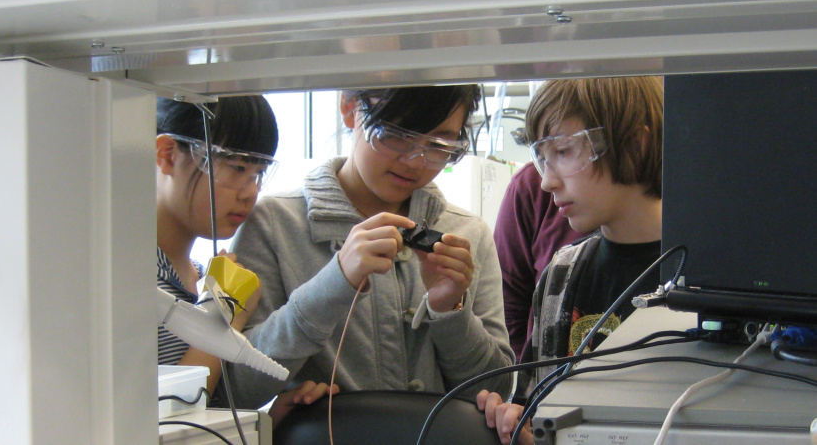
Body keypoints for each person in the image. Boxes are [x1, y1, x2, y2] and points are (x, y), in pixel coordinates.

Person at [223, 85, 515, 409]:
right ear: (349, 108)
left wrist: (449, 312)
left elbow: (498, 389)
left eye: (439, 144)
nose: (414, 161)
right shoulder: (273, 225)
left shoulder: (466, 234)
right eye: (396, 133)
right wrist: (333, 285)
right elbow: (235, 390)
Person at [477, 76, 664, 444]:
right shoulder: (562, 273)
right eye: (542, 159)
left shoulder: (706, 273)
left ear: (636, 143)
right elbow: (537, 402)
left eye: (562, 151)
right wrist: (517, 422)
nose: (546, 182)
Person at [155, 96, 336, 424]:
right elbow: (162, 415)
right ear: (167, 155)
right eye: (237, 168)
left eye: (259, 172)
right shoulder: (124, 278)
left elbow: (201, 413)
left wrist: (273, 417)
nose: (249, 192)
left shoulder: (201, 277)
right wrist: (224, 314)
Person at [494, 163, 589, 361]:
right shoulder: (531, 184)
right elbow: (507, 300)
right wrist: (525, 380)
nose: (547, 183)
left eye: (563, 150)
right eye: (541, 155)